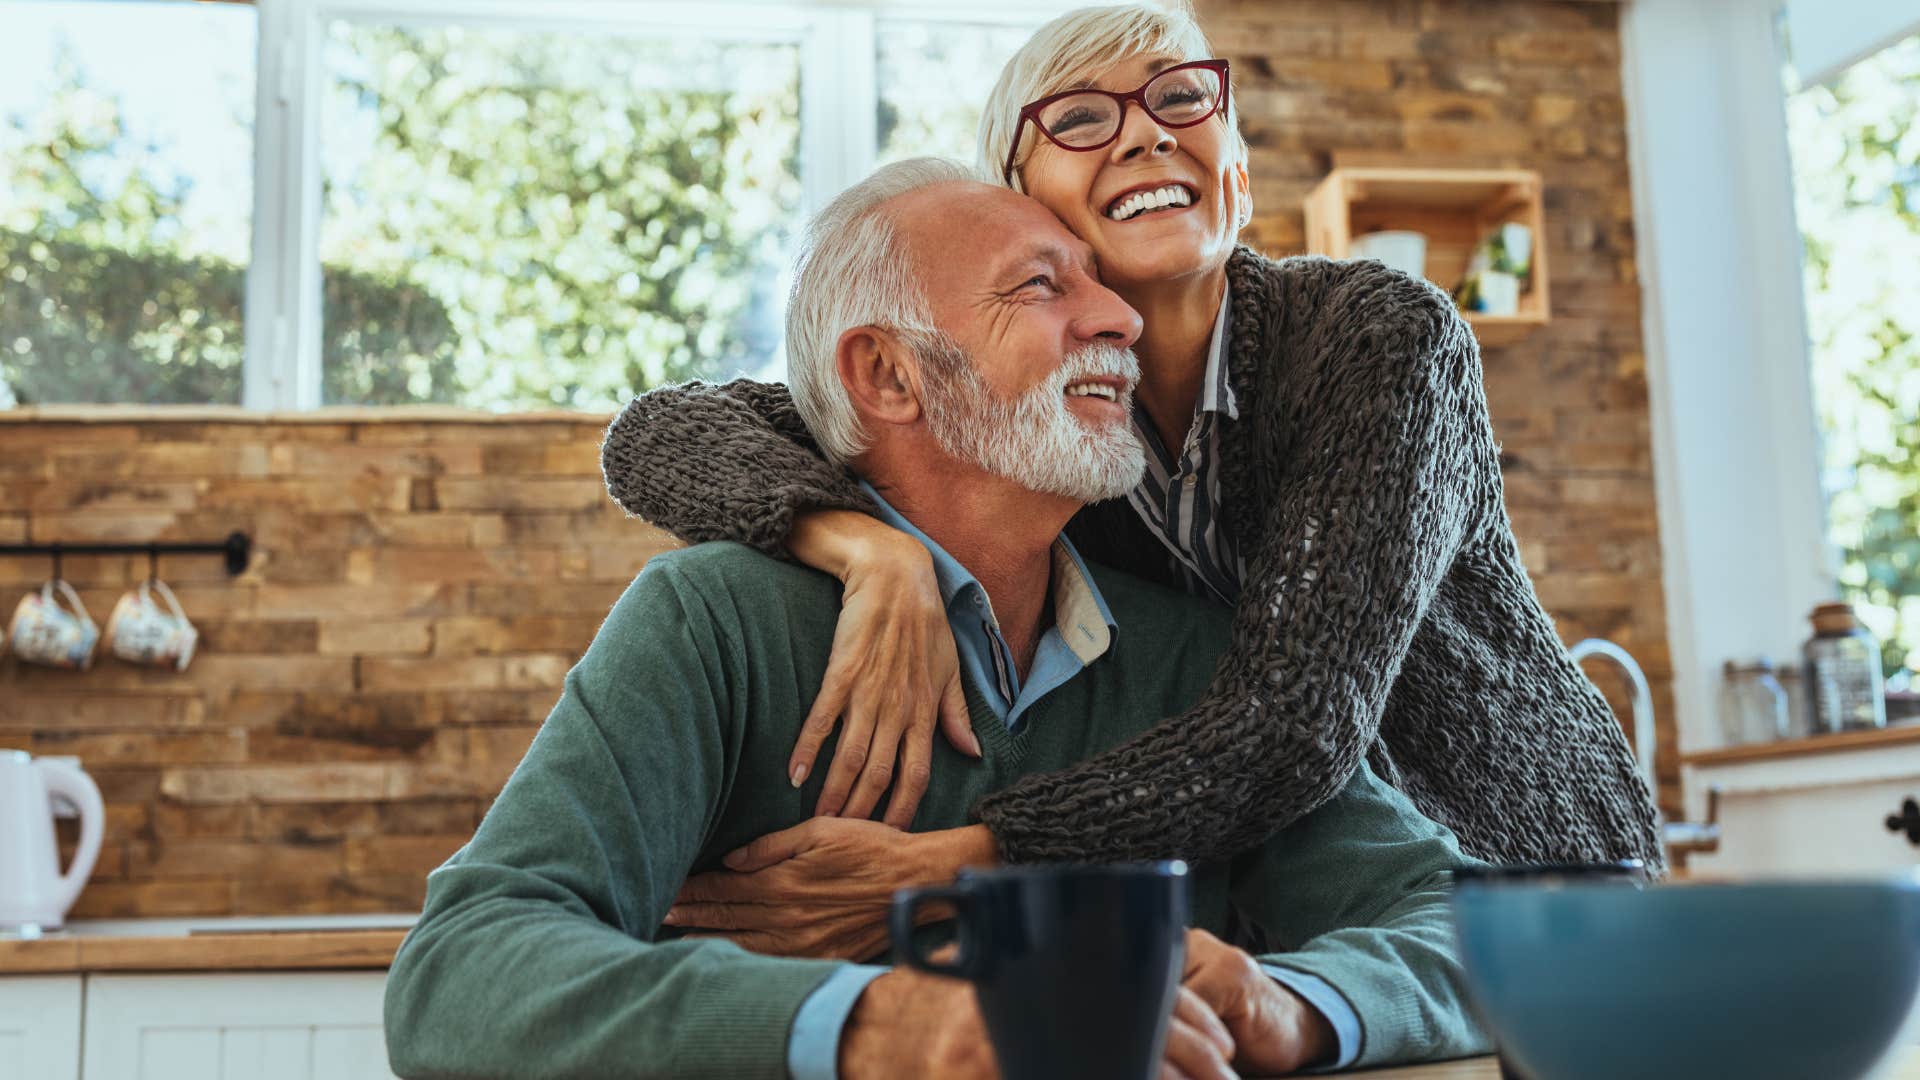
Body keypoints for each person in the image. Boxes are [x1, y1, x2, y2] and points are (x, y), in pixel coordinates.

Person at [385, 158, 1490, 1079]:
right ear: (889, 375)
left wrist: (1293, 999)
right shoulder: (714, 621)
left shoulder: (1194, 658)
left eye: (1098, 284)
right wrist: (875, 1024)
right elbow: (464, 969)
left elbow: (1469, 930)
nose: (1117, 317)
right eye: (1043, 287)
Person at [600, 1, 1663, 877]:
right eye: (1078, 119)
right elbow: (662, 432)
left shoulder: (1380, 340)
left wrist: (961, 860)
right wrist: (861, 544)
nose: (1147, 133)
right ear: (1023, 207)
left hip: (1529, 873)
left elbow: (1293, 725)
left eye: (1180, 96)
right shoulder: (1034, 422)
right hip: (1306, 898)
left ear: (1235, 171)